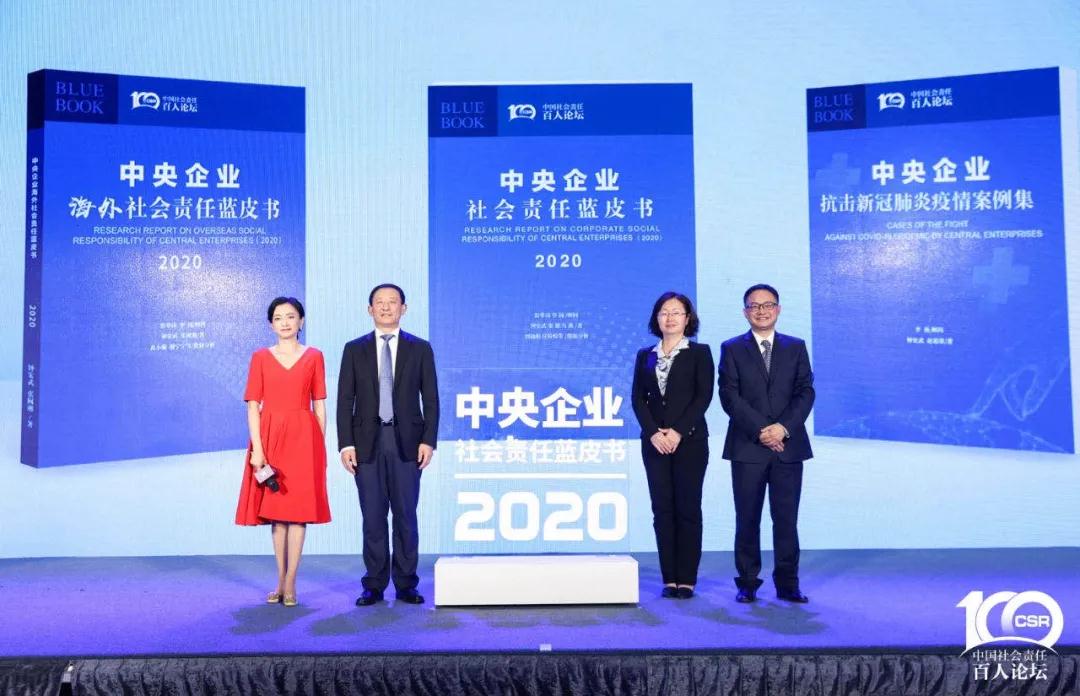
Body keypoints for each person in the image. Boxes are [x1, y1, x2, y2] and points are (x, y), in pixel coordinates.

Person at [337, 283, 439, 606]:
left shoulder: (420, 348)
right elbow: (345, 400)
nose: (385, 307)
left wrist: (428, 440)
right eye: (379, 302)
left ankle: (407, 584)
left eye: (392, 302)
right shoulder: (354, 349)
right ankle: (374, 584)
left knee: (406, 515)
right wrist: (345, 444)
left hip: (407, 442)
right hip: (366, 443)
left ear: (403, 309)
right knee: (373, 516)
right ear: (370, 309)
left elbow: (431, 399)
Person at [718, 284, 815, 603]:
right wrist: (763, 430)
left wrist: (782, 428)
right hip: (748, 447)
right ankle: (747, 582)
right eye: (754, 306)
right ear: (745, 312)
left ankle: (788, 584)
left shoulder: (796, 347)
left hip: (789, 447)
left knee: (786, 520)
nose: (761, 310)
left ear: (778, 309)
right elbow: (729, 396)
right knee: (747, 518)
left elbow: (805, 392)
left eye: (768, 304)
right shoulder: (732, 348)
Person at [235, 297, 331, 607]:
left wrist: (320, 446)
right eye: (278, 318)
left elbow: (320, 404)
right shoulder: (260, 357)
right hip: (270, 437)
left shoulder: (314, 356)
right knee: (278, 517)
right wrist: (257, 450)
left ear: (301, 321)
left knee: (299, 515)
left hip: (305, 440)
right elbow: (253, 406)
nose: (285, 322)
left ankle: (291, 582)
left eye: (291, 316)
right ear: (271, 324)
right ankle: (279, 579)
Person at [631, 292, 714, 600]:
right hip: (654, 444)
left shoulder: (699, 353)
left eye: (676, 312)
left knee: (688, 509)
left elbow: (703, 397)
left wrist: (677, 432)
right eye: (664, 312)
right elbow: (638, 399)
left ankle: (687, 579)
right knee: (662, 509)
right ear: (657, 318)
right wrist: (653, 432)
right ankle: (670, 578)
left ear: (687, 318)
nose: (670, 317)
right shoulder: (646, 355)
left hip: (690, 442)